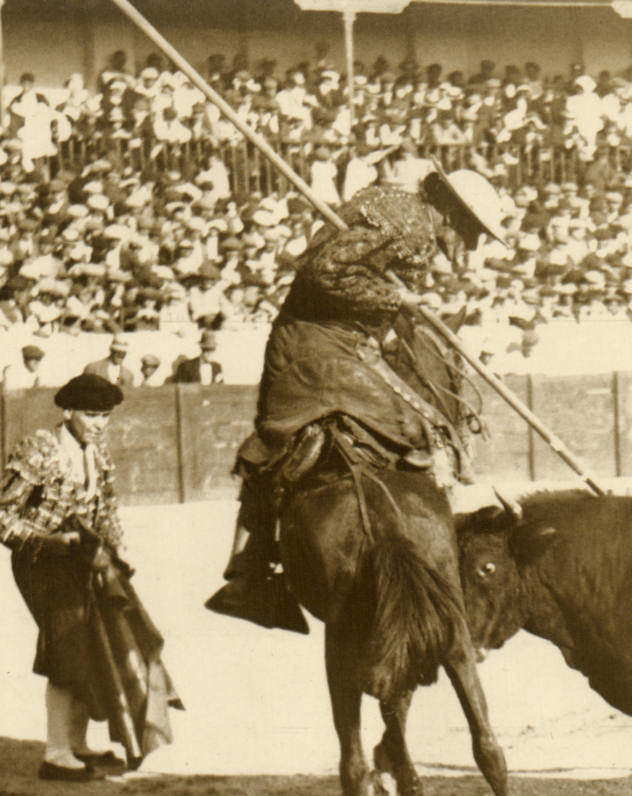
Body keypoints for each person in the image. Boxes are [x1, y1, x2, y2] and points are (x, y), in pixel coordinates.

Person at [204, 167, 506, 631]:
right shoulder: (414, 223)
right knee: (404, 425)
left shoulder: (404, 212)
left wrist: (396, 310)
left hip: (343, 340)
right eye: (470, 229)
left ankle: (254, 565)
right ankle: (259, 565)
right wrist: (398, 300)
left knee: (407, 414)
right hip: (313, 344)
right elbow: (320, 269)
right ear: (451, 211)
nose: (468, 242)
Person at [0, 373, 181, 779]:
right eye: (92, 414)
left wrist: (119, 547)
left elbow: (106, 508)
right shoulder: (40, 448)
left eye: (105, 415)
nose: (99, 423)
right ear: (68, 411)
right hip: (43, 561)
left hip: (87, 559)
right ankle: (56, 753)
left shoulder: (97, 450)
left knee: (91, 644)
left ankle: (75, 744)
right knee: (66, 646)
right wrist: (49, 542)